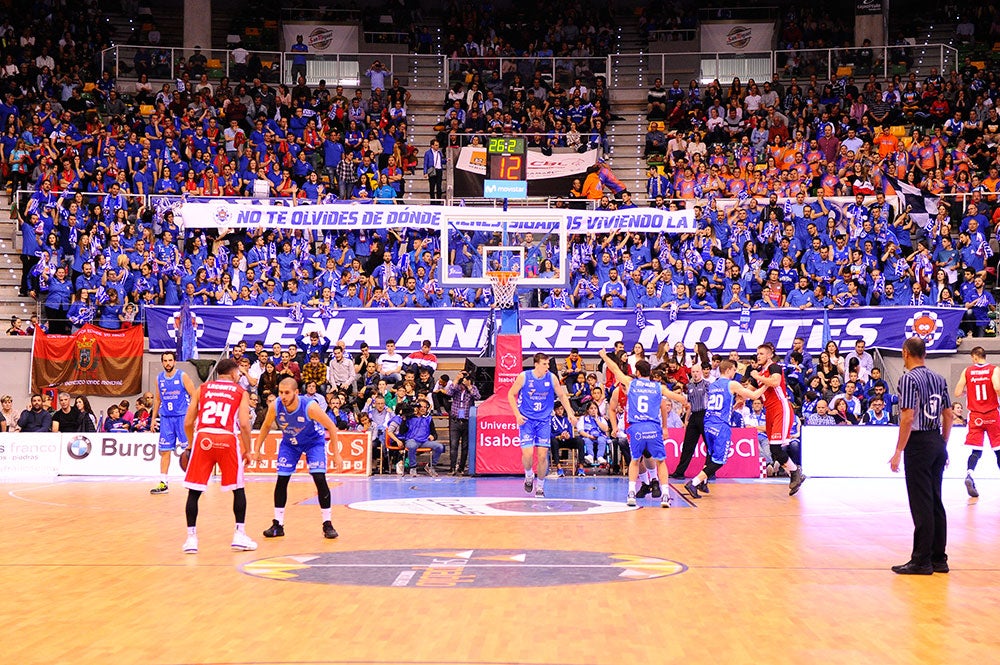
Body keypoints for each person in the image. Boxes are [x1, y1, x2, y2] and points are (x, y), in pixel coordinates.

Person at [889, 336, 953, 575]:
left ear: (906, 353)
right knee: (936, 500)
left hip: (918, 443)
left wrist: (898, 451)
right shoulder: (939, 378)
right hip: (936, 438)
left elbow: (907, 417)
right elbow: (948, 414)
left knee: (921, 502)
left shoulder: (908, 379)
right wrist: (943, 444)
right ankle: (939, 558)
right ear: (924, 353)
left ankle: (921, 560)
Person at [252, 377, 342, 540]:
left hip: (313, 442)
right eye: (280, 392)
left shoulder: (310, 406)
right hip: (290, 443)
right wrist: (257, 449)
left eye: (287, 393)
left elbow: (331, 426)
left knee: (319, 478)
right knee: (282, 480)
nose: (283, 396)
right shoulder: (276, 405)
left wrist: (336, 454)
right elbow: (265, 426)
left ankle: (327, 523)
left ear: (296, 392)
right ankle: (278, 524)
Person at [180, 358, 255, 554]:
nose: (239, 376)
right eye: (238, 373)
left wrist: (191, 443)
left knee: (194, 491)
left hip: (203, 437)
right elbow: (245, 425)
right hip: (226, 439)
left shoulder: (202, 388)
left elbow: (188, 421)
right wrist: (248, 449)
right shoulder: (240, 392)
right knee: (238, 489)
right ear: (232, 374)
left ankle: (191, 539)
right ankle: (239, 534)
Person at [599, 349, 687, 507]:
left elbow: (615, 369)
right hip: (653, 428)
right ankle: (665, 495)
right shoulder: (658, 387)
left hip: (636, 428)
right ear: (650, 373)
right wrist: (685, 402)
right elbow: (676, 398)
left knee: (634, 461)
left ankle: (631, 493)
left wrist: (604, 356)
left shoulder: (630, 384)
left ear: (637, 372)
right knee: (661, 461)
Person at [685, 360, 766, 498]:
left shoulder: (713, 384)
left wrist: (734, 406)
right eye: (734, 370)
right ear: (728, 370)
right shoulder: (731, 384)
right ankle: (694, 482)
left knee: (711, 456)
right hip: (721, 426)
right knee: (719, 460)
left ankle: (703, 482)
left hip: (708, 423)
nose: (735, 373)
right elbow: (753, 396)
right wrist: (766, 385)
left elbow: (720, 406)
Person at [507, 352, 577, 497]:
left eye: (548, 364)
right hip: (526, 420)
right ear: (536, 364)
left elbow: (562, 396)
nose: (547, 366)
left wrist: (570, 413)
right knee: (527, 454)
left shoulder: (551, 377)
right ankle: (528, 475)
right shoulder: (524, 376)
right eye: (544, 364)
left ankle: (540, 486)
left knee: (542, 455)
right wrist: (517, 414)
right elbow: (510, 394)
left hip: (544, 420)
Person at [749, 343, 806, 495]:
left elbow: (774, 382)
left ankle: (794, 472)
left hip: (781, 408)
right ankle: (795, 473)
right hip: (770, 411)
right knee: (774, 450)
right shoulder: (760, 372)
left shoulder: (774, 367)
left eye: (761, 353)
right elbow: (749, 391)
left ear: (769, 355)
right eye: (757, 353)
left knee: (776, 447)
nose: (758, 356)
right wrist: (738, 398)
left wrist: (757, 376)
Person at [953, 346, 1000, 498]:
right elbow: (997, 388)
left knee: (976, 450)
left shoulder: (967, 371)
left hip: (975, 417)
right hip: (992, 415)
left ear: (974, 357)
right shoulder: (994, 369)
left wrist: (970, 391)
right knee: (998, 450)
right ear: (984, 356)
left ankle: (969, 474)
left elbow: (958, 393)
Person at [150, 351, 196, 495]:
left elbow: (194, 396)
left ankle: (194, 480)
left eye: (170, 360)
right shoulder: (159, 378)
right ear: (162, 362)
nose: (168, 363)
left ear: (175, 362)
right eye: (165, 360)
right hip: (166, 419)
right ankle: (163, 483)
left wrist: (194, 417)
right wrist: (153, 419)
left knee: (189, 450)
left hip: (182, 417)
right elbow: (157, 399)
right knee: (164, 451)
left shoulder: (182, 376)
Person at [670, 362, 709, 479]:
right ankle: (680, 472)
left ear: (701, 372)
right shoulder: (689, 386)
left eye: (697, 371)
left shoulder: (707, 384)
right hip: (694, 415)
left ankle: (709, 472)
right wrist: (686, 419)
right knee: (687, 445)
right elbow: (689, 405)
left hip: (704, 415)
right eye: (693, 372)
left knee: (709, 445)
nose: (695, 374)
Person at [445, 370, 479, 474]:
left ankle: (461, 467)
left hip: (467, 421)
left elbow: (477, 396)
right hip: (455, 420)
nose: (463, 378)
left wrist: (469, 386)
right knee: (454, 445)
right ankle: (452, 467)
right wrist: (456, 380)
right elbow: (449, 393)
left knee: (465, 446)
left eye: (465, 376)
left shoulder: (472, 388)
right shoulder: (456, 388)